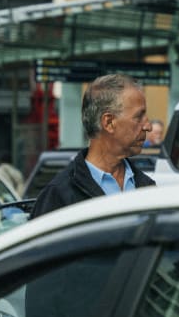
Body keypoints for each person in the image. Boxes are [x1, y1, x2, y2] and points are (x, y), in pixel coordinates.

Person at [31, 73, 155, 218]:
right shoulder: (58, 196)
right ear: (108, 123)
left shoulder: (147, 187)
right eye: (139, 117)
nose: (148, 127)